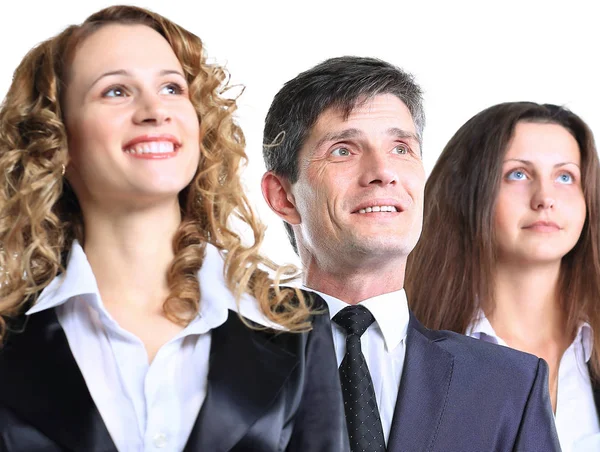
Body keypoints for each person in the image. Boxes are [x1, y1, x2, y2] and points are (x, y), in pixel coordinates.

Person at [0, 6, 347, 451]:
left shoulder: (296, 325)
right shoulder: (9, 340)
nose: (154, 110)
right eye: (116, 91)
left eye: (171, 87)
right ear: (56, 138)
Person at [261, 56, 561, 452]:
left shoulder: (509, 385)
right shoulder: (219, 365)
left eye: (401, 148)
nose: (383, 172)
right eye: (343, 150)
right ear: (283, 196)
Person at [406, 101, 600, 451]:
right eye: (518, 174)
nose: (545, 199)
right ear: (467, 193)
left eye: (565, 176)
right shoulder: (407, 349)